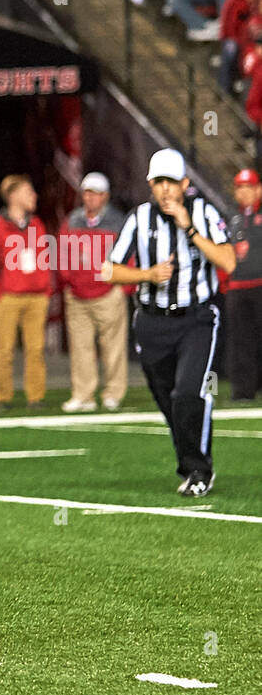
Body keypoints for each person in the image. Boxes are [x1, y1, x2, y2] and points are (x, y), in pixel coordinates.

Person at [105, 148, 235, 496]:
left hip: (196, 318)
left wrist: (189, 229)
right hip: (152, 322)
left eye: (171, 182)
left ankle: (199, 470)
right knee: (169, 402)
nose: (165, 189)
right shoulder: (139, 218)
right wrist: (147, 274)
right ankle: (191, 465)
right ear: (150, 184)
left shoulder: (204, 213)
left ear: (185, 184)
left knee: (189, 393)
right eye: (158, 182)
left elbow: (228, 261)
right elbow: (109, 269)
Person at [0, 174, 52, 413]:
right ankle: (3, 397)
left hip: (36, 296)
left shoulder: (37, 224)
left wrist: (45, 288)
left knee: (36, 349)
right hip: (9, 296)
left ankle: (36, 397)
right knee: (5, 350)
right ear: (13, 195)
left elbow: (44, 258)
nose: (34, 196)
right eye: (28, 191)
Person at [58, 172, 129, 412]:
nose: (90, 198)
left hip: (108, 293)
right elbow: (62, 254)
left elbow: (129, 254)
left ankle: (114, 392)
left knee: (114, 348)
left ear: (105, 196)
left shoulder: (117, 221)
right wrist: (68, 281)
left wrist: (123, 286)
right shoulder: (72, 220)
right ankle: (83, 394)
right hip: (78, 295)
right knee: (80, 348)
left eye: (96, 194)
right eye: (87, 193)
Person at [225, 166, 262, 400]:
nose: (244, 192)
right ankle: (243, 389)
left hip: (260, 284)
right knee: (240, 340)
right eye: (240, 188)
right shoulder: (233, 218)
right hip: (238, 288)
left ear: (258, 189)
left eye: (249, 187)